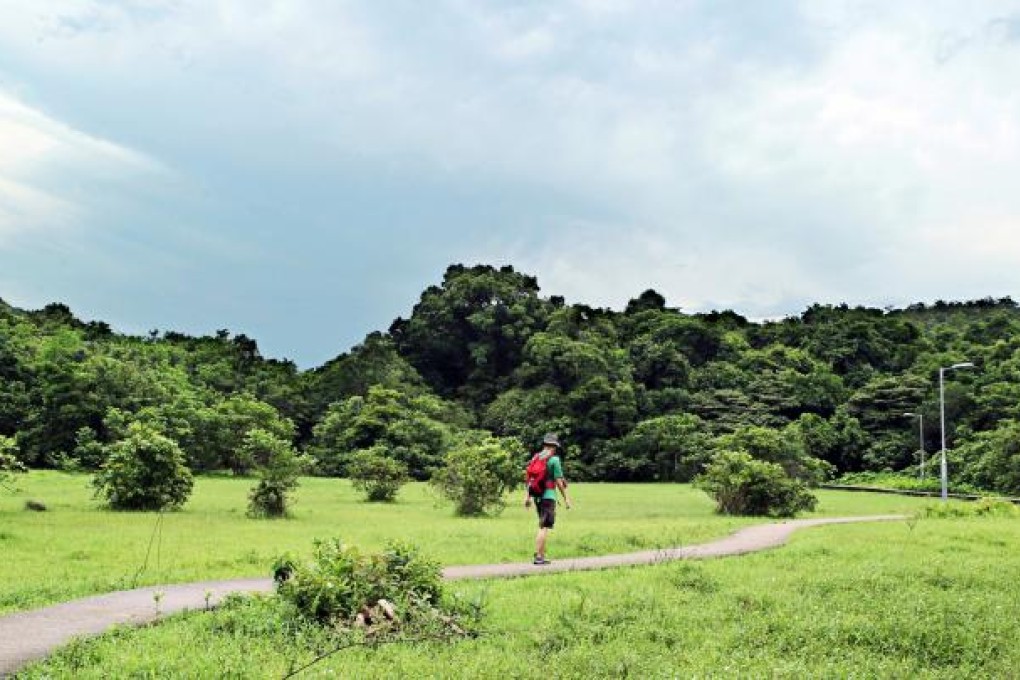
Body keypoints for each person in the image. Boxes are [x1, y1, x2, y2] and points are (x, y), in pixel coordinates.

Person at [524, 433, 572, 565]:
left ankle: (541, 555)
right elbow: (558, 482)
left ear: (544, 445)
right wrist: (566, 498)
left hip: (538, 497)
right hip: (549, 497)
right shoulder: (554, 460)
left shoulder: (536, 458)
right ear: (554, 447)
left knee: (542, 524)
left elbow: (530, 479)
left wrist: (527, 497)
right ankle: (538, 556)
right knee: (544, 527)